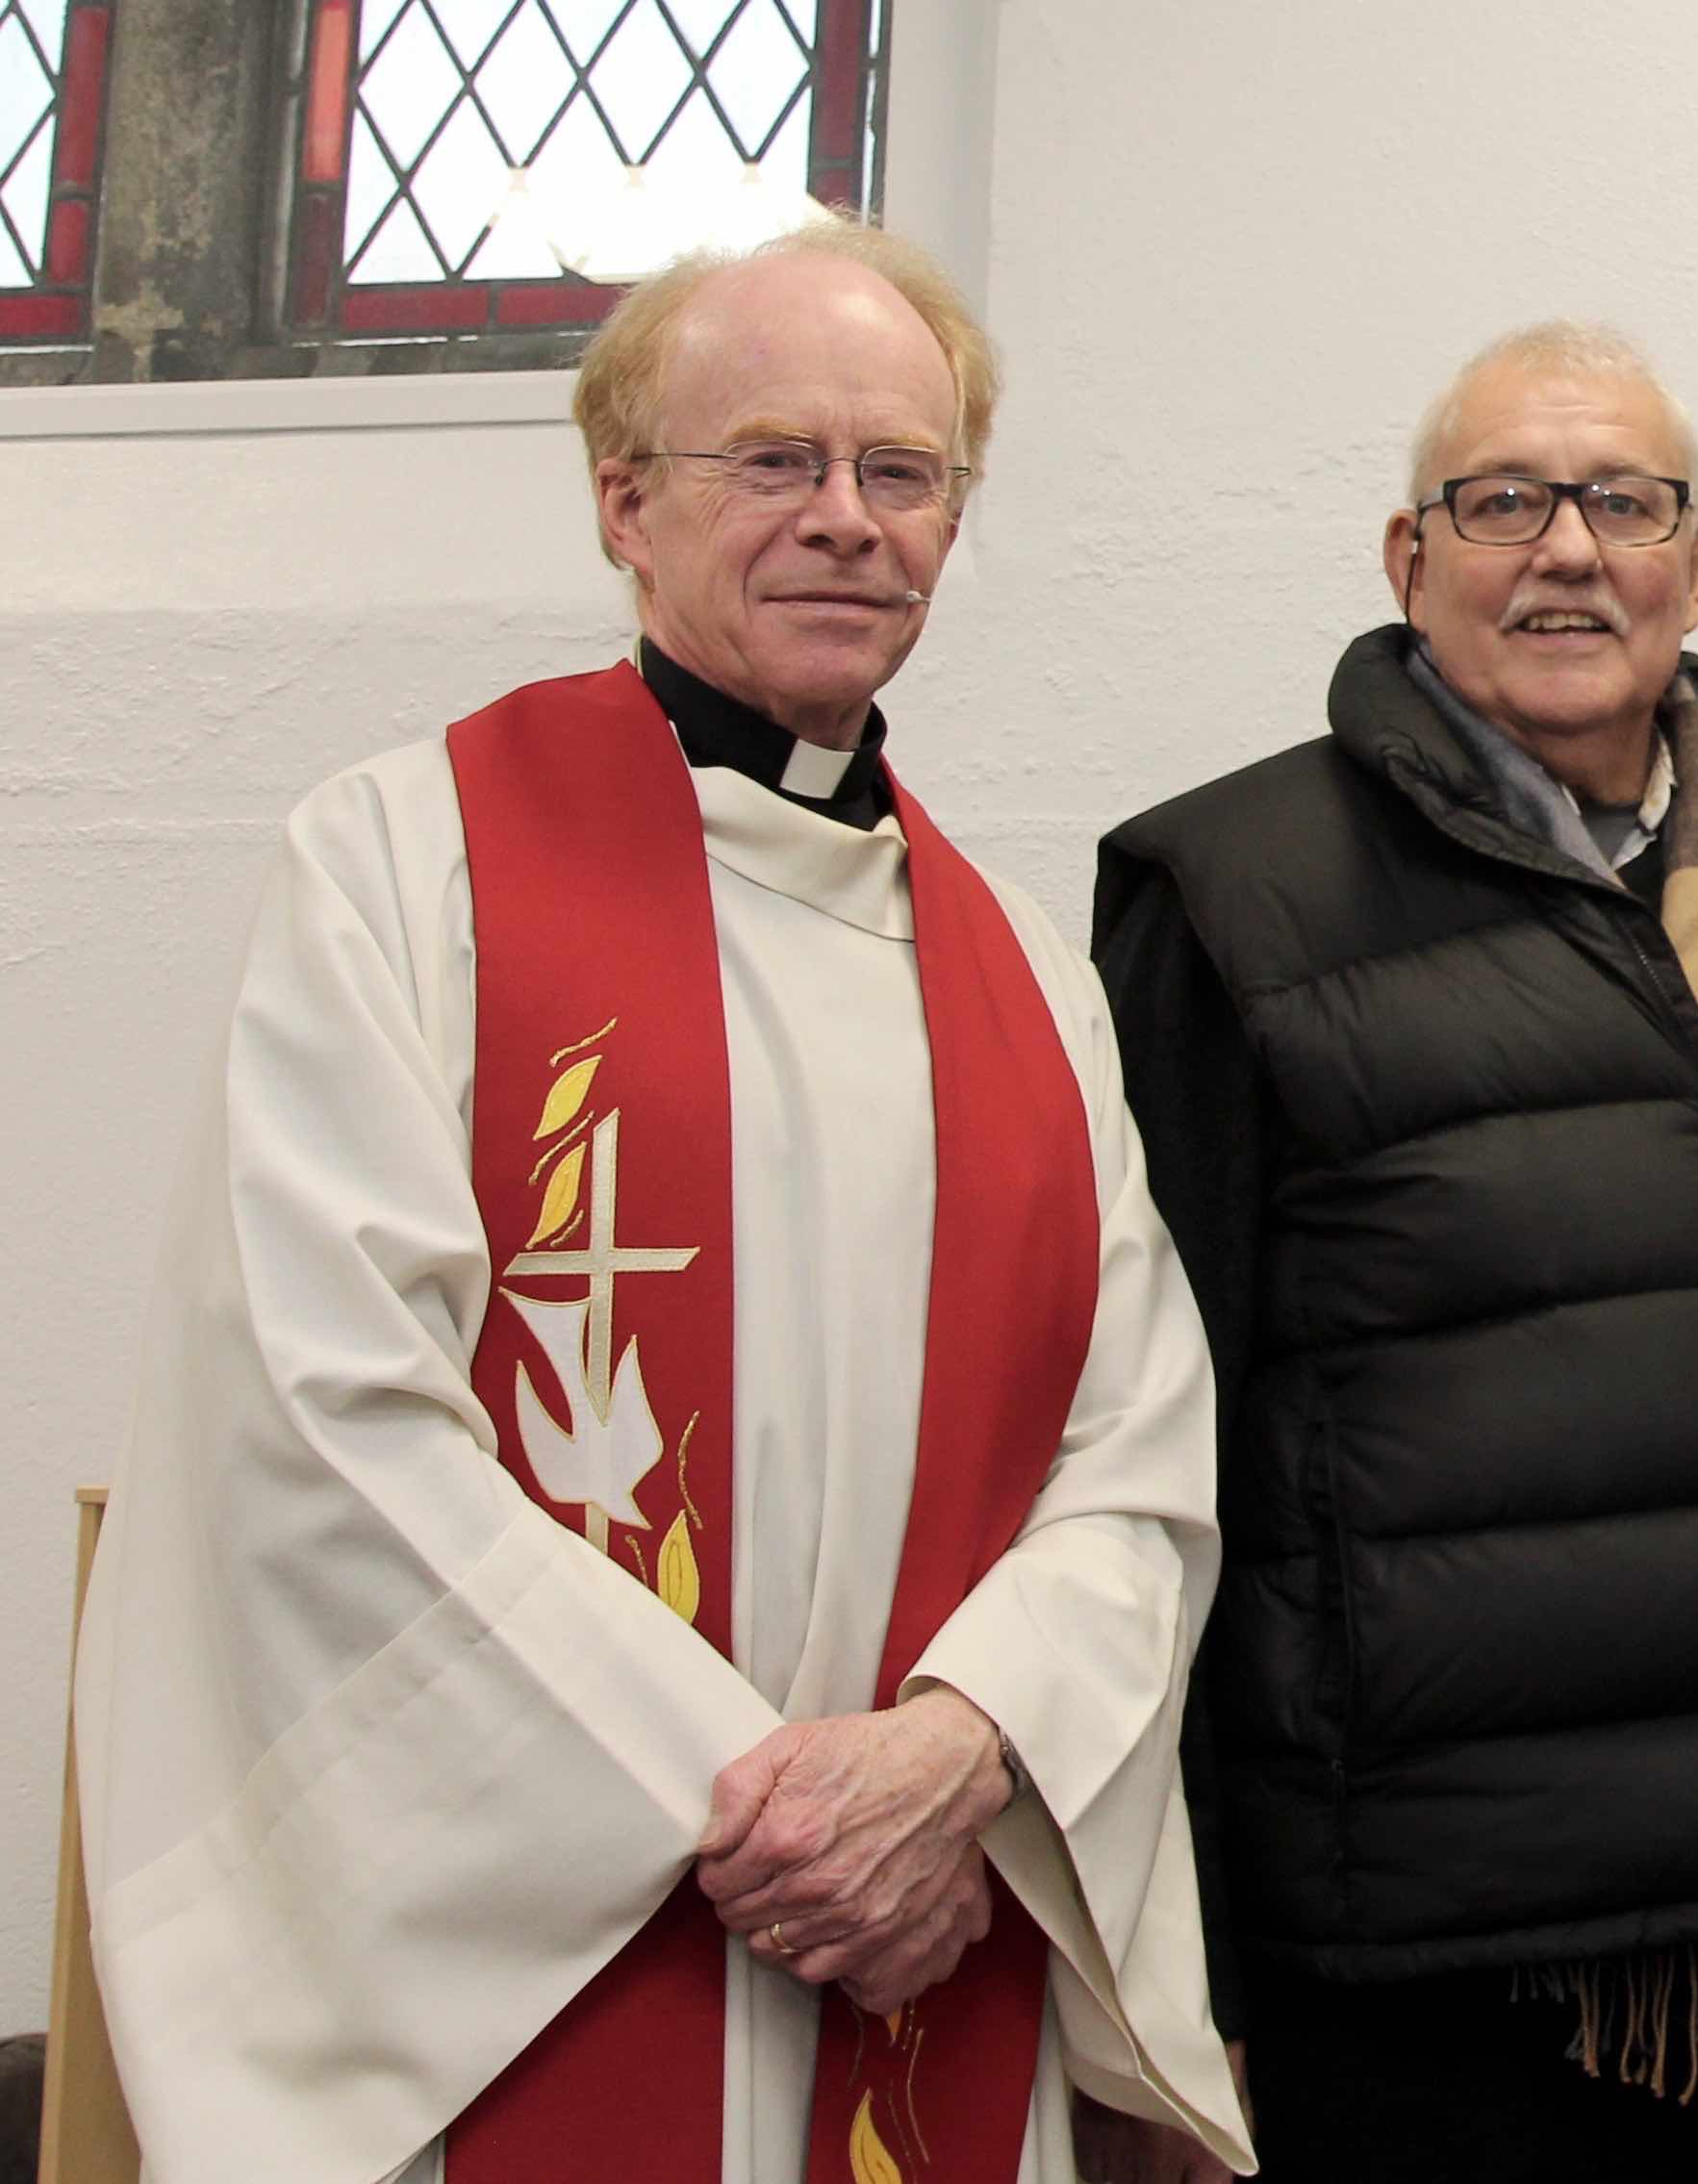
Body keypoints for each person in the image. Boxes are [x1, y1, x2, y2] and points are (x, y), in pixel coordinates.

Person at [70, 222, 1249, 2183]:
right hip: (542, 1958)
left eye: (903, 470)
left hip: (931, 1931)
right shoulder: (407, 863)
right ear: (624, 498)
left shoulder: (1026, 975)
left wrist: (965, 1750)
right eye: (773, 458)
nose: (848, 519)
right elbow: (319, 1410)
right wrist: (780, 1812)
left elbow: (1138, 1461)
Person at [1092, 321, 1698, 2181]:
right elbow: (1141, 1457)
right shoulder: (1235, 899)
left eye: (1624, 503)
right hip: (1426, 1969)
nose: (1567, 548)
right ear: (1406, 559)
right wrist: (1188, 1964)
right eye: (1502, 500)